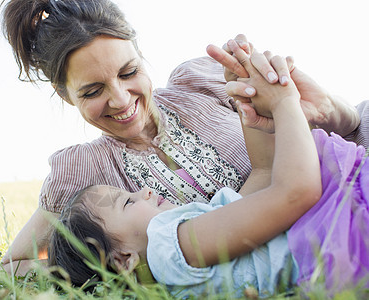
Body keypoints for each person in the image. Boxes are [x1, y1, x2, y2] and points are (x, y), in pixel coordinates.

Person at [0, 0, 367, 275]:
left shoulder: (203, 82)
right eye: (93, 91)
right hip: (326, 229)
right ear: (65, 95)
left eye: (129, 72)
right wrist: (102, 269)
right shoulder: (83, 175)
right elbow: (11, 265)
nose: (121, 100)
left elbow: (344, 132)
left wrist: (326, 112)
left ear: (141, 55)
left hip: (347, 176)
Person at [48, 45, 369, 298]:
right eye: (129, 202)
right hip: (342, 231)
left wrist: (247, 97)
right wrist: (285, 103)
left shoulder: (187, 234)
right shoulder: (168, 245)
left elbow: (264, 172)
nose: (144, 191)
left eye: (129, 71)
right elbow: (296, 193)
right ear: (124, 260)